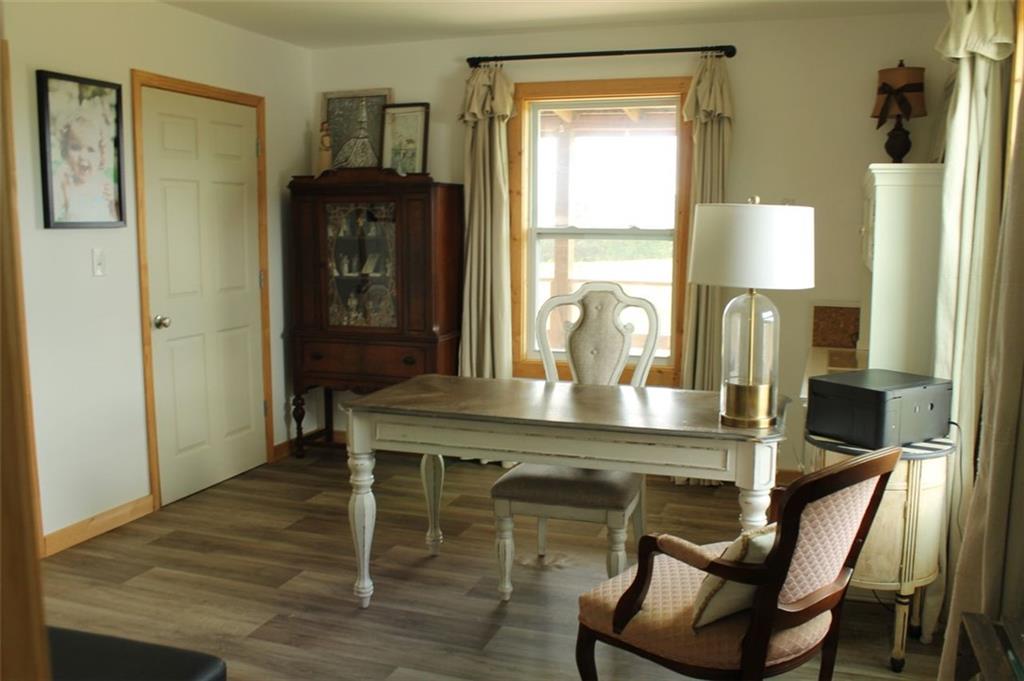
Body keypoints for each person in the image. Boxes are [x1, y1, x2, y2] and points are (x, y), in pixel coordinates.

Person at [54, 110, 118, 222]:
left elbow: (116, 220)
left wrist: (113, 202)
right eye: (75, 148)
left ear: (101, 155)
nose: (83, 156)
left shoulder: (106, 186)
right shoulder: (64, 184)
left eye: (91, 149)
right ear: (65, 152)